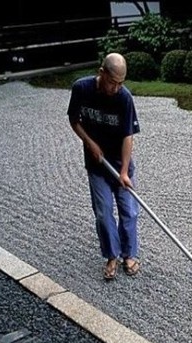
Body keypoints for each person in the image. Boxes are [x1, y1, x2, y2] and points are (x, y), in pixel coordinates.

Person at [67, 53, 141, 280]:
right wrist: (90, 143)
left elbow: (128, 136)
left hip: (120, 163)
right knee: (103, 212)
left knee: (128, 210)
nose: (116, 87)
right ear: (102, 73)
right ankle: (112, 255)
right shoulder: (82, 88)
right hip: (97, 164)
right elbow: (73, 119)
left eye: (121, 82)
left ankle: (129, 254)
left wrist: (125, 171)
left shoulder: (124, 98)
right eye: (113, 82)